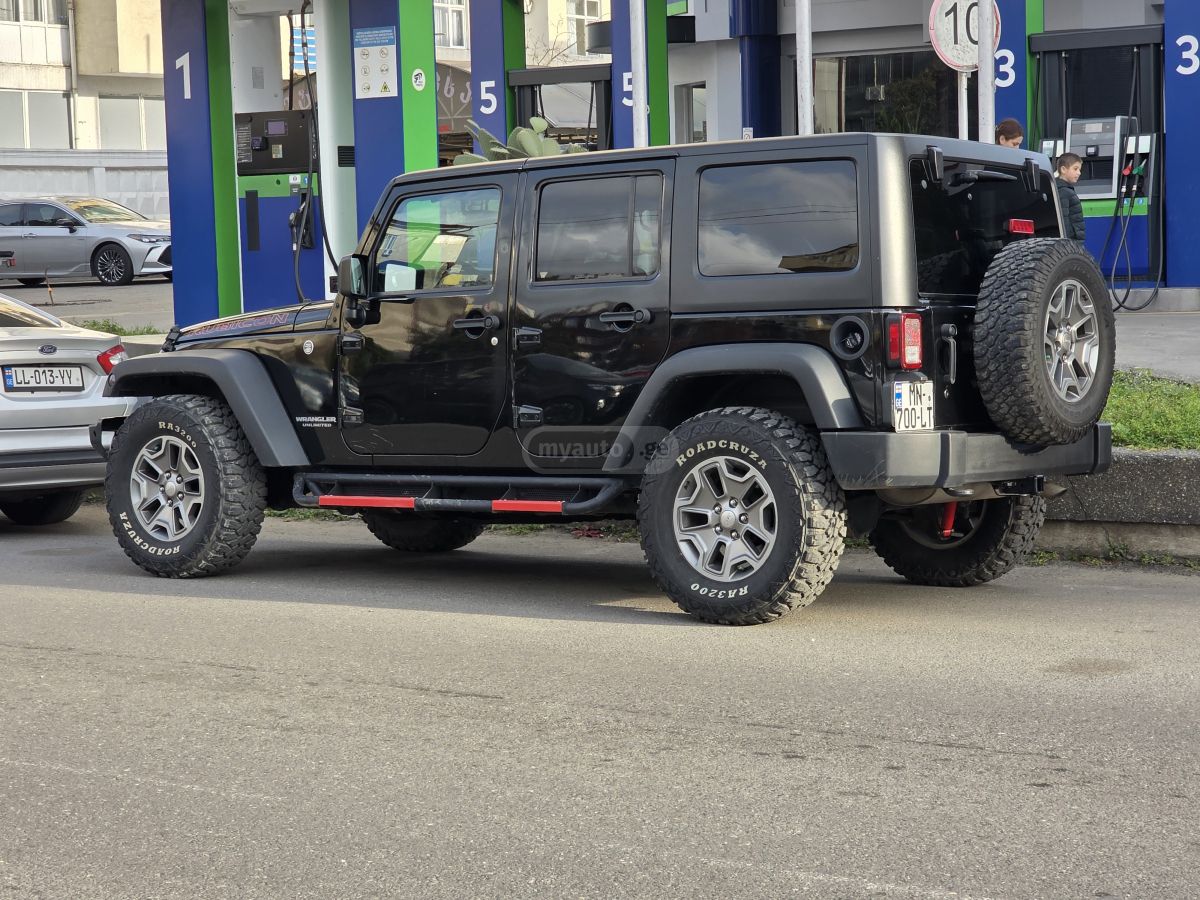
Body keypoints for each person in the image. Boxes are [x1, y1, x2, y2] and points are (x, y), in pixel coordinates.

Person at [1055, 152, 1086, 241]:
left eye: (1079, 170)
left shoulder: (1065, 189)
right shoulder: (1063, 191)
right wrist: (1067, 242)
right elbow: (1063, 220)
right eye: (1075, 169)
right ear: (1063, 169)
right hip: (1070, 242)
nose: (1079, 173)